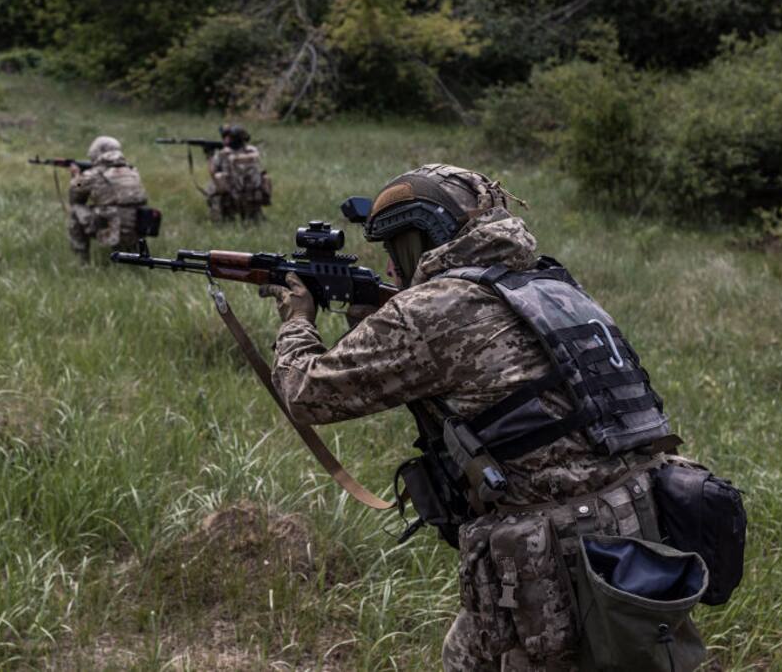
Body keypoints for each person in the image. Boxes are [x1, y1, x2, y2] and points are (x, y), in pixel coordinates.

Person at [257, 164, 691, 670]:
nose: (393, 268)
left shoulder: (433, 308)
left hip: (554, 553)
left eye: (396, 247)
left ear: (425, 235)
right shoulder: (547, 281)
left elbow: (306, 392)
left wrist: (297, 321)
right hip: (635, 519)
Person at [68, 136, 148, 262]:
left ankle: (82, 261)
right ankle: (132, 254)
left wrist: (76, 177)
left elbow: (75, 197)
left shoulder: (92, 175)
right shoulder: (132, 171)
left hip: (113, 230)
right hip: (137, 229)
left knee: (75, 211)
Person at [207, 125, 271, 222]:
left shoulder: (222, 154)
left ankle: (221, 217)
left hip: (231, 198)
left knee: (213, 184)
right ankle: (254, 216)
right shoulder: (253, 151)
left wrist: (209, 156)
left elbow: (212, 172)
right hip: (253, 196)